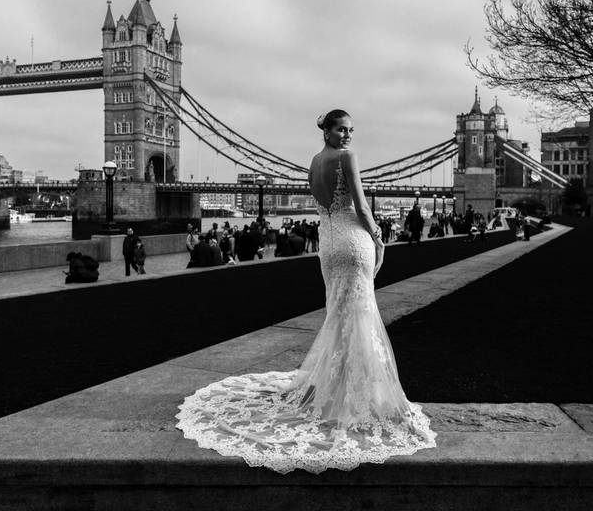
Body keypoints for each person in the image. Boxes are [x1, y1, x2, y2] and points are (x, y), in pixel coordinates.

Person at [176, 108, 436, 474]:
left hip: (329, 247)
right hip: (353, 243)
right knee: (358, 315)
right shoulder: (349, 158)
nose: (347, 135)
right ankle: (355, 396)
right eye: (341, 129)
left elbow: (326, 207)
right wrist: (378, 238)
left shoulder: (313, 163)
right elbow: (360, 206)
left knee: (340, 314)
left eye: (350, 130)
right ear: (327, 130)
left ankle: (336, 388)